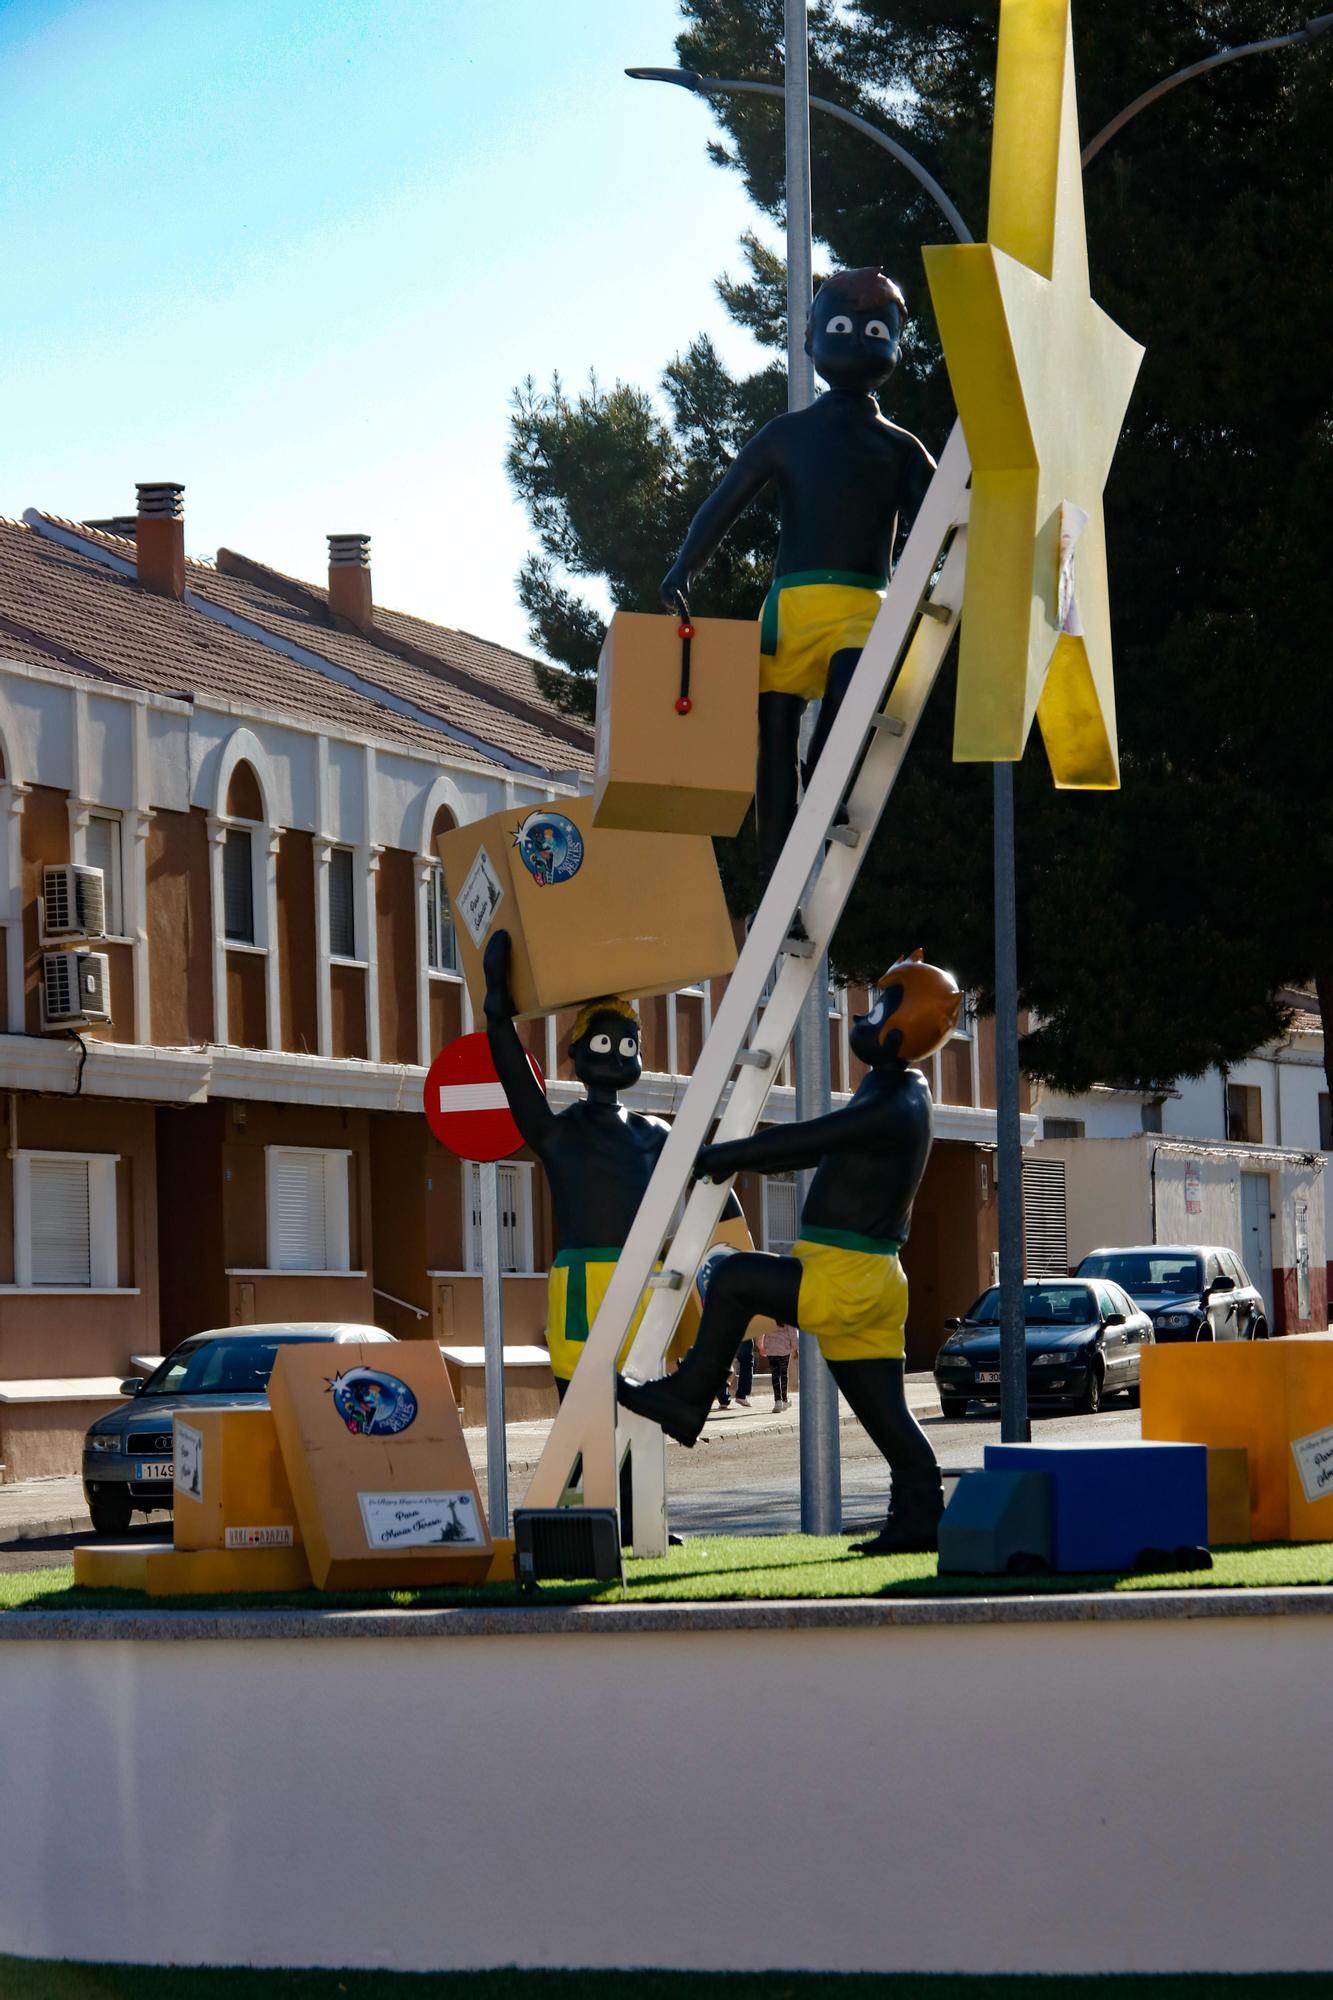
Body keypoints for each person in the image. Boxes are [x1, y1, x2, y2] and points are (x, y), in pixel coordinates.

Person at [619, 952, 960, 1555]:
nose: (863, 1015)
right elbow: (814, 1142)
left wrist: (727, 1155)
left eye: (880, 1006)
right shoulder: (899, 1090)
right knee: (888, 1417)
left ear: (906, 1025)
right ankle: (920, 1516)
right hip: (875, 1276)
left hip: (847, 1273)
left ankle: (689, 1396)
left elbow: (807, 1142)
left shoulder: (893, 1102)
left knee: (733, 1278)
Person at [659, 267, 935, 904]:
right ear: (811, 340)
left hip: (864, 606)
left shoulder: (899, 448)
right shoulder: (786, 435)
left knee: (853, 685)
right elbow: (724, 503)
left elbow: (945, 511)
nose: (858, 339)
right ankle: (771, 877)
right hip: (790, 609)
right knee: (774, 736)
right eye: (841, 327)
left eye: (875, 330)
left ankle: (828, 784)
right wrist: (685, 566)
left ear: (895, 344)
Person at [761, 1322, 798, 1410]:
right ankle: (784, 1400)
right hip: (784, 1347)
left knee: (775, 1374)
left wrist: (761, 1346)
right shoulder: (785, 1312)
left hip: (770, 1347)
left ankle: (778, 1401)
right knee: (784, 1374)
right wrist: (795, 1348)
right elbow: (792, 1331)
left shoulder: (767, 1314)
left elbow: (761, 1329)